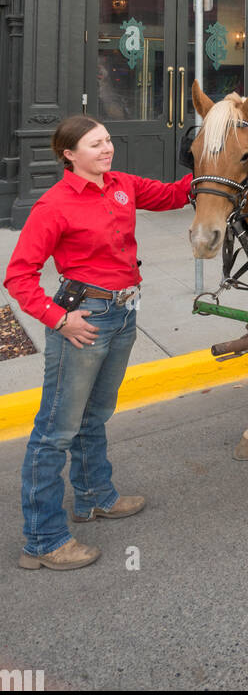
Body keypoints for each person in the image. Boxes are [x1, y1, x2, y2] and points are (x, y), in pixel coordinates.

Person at [4, 116, 192, 570]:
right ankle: (43, 540)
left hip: (124, 311)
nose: (107, 149)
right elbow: (18, 276)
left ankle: (93, 497)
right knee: (54, 431)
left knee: (95, 415)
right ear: (69, 154)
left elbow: (171, 196)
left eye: (107, 141)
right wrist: (58, 319)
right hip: (85, 319)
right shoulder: (54, 205)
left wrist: (214, 160)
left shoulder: (122, 184)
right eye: (95, 144)